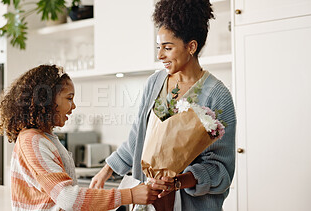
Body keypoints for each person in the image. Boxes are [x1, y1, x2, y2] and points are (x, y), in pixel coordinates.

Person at [90, 0, 237, 210]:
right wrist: (106, 170)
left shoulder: (217, 95)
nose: (160, 55)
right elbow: (138, 138)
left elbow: (220, 170)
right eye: (159, 47)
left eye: (167, 48)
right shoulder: (155, 83)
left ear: (191, 47)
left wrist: (177, 181)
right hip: (149, 203)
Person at [0, 64, 160, 211]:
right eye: (69, 98)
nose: (73, 106)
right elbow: (68, 199)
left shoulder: (44, 137)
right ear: (47, 99)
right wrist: (129, 194)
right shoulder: (32, 142)